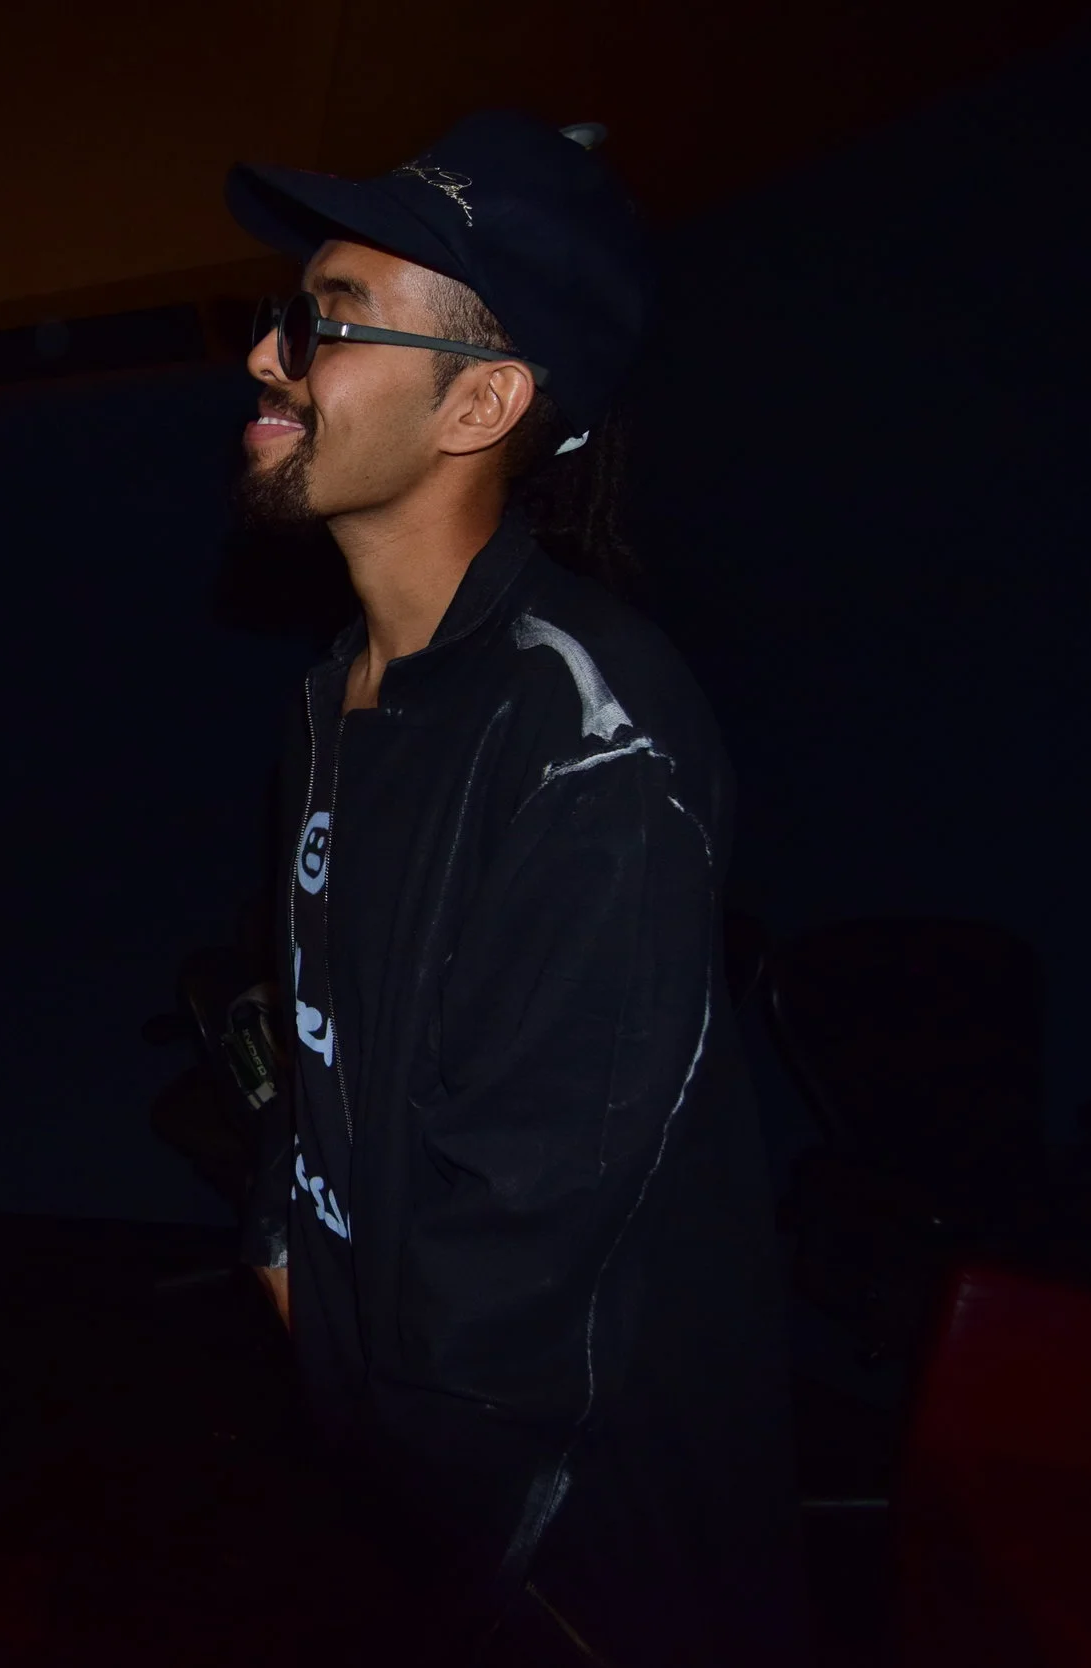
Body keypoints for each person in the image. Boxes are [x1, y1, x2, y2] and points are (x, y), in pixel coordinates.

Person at [226, 113, 806, 1662]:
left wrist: (420, 1466)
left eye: (326, 321)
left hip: (560, 1543)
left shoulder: (590, 737)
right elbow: (321, 1030)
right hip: (398, 1478)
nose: (268, 358)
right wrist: (285, 1245)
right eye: (286, 314)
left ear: (480, 400)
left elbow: (526, 1242)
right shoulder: (330, 696)